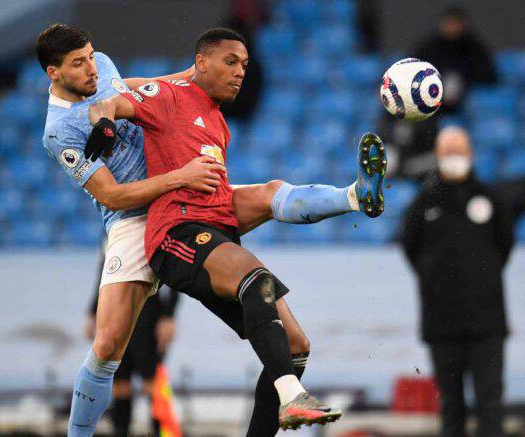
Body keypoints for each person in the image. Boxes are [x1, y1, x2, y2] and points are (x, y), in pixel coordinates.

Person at [38, 24, 384, 436]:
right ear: (54, 72)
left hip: (190, 194)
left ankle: (353, 195)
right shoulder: (59, 131)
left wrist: (191, 76)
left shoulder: (105, 70)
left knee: (269, 197)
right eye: (79, 63)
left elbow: (130, 88)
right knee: (109, 346)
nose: (93, 68)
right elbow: (112, 196)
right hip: (136, 216)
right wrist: (178, 175)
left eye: (92, 56)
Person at [400, 126, 513, 437]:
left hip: (487, 323)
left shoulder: (490, 198)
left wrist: (481, 278)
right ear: (437, 156)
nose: (454, 157)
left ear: (471, 154)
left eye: (459, 151)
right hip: (442, 324)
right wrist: (435, 280)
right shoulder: (424, 202)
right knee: (451, 406)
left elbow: (505, 244)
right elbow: (411, 247)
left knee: (490, 404)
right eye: (448, 152)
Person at [379, 5, 497, 179]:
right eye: (448, 23)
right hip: (426, 103)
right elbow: (409, 71)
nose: (451, 27)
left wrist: (464, 85)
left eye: (455, 23)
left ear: (463, 24)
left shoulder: (473, 48)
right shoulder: (428, 46)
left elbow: (490, 77)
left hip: (454, 108)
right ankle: (393, 155)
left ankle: (414, 164)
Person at [85, 252, 180, 437]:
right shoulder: (111, 236)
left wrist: (169, 315)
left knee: (153, 384)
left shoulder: (155, 236)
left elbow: (175, 274)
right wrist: (94, 312)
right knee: (120, 385)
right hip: (117, 315)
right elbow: (104, 273)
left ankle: (162, 433)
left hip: (149, 317)